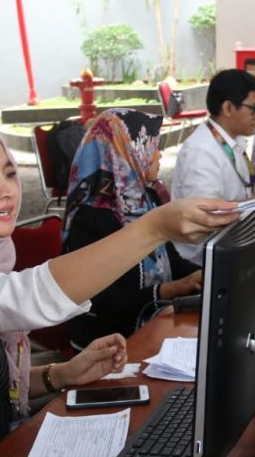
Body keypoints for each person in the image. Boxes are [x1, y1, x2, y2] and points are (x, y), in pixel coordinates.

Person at [0, 123, 237, 454]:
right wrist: (153, 228)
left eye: (9, 173)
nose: (7, 191)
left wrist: (61, 374)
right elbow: (27, 297)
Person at [62, 109, 202, 346]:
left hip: (153, 323)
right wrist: (166, 290)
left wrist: (199, 275)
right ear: (125, 151)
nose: (157, 155)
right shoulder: (91, 217)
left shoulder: (146, 198)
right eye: (150, 146)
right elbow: (102, 302)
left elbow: (171, 260)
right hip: (107, 345)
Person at [171, 68, 255, 264]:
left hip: (230, 245)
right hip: (202, 261)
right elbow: (205, 219)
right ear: (228, 108)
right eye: (253, 108)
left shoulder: (230, 142)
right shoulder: (201, 152)